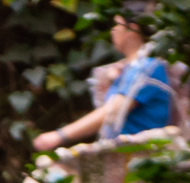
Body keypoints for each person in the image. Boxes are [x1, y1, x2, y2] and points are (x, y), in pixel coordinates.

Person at [33, 11, 176, 154]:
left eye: (116, 25)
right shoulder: (127, 70)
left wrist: (60, 135)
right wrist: (110, 81)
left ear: (132, 29)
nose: (112, 30)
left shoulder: (146, 68)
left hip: (143, 155)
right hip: (123, 154)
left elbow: (114, 110)